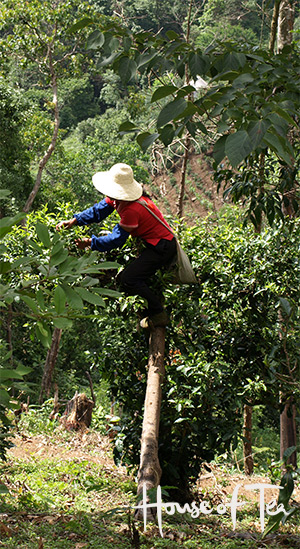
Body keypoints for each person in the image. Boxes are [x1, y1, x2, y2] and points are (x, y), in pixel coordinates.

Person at [56, 163, 176, 328]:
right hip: (153, 242)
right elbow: (98, 210)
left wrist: (91, 243)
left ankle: (158, 314)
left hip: (161, 247)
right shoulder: (117, 198)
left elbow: (116, 240)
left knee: (129, 279)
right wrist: (75, 221)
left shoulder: (132, 209)